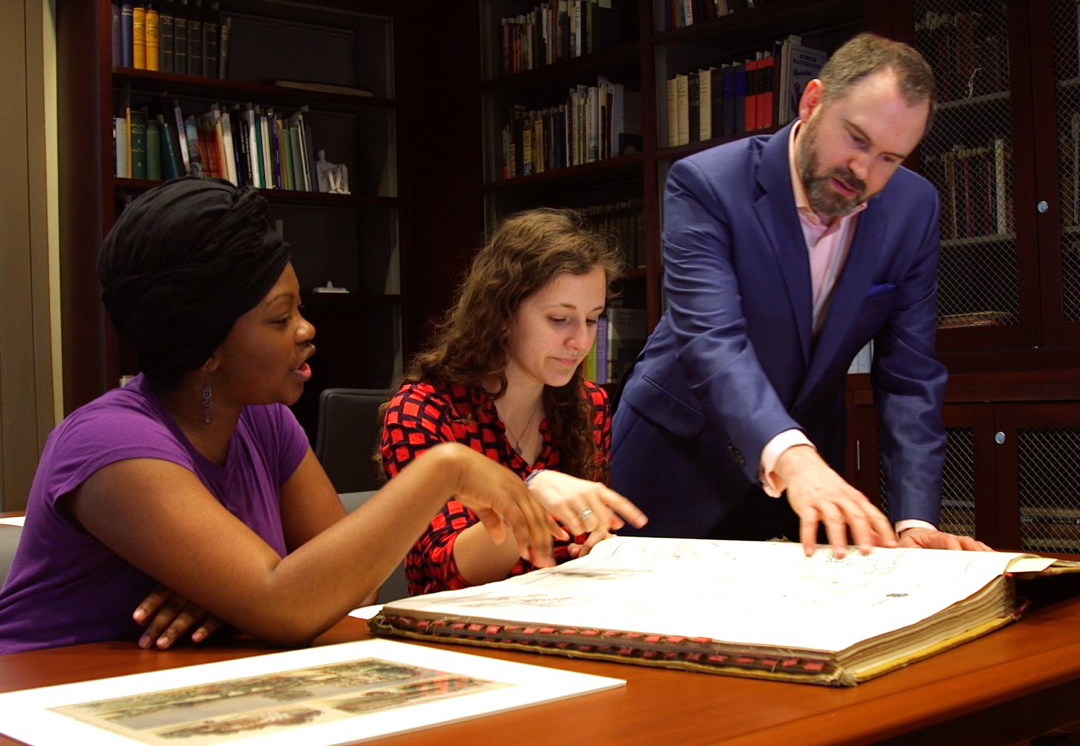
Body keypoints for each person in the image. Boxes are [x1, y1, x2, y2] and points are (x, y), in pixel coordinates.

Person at [0, 177, 562, 655]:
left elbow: (353, 592)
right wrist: (446, 468)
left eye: (301, 308)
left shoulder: (261, 421)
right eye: (279, 318)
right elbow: (289, 603)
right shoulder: (109, 442)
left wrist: (234, 602)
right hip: (46, 703)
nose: (306, 329)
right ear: (207, 348)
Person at [611, 33, 989, 557]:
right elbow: (713, 340)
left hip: (806, 478)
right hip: (677, 459)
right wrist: (793, 457)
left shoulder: (913, 208)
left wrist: (914, 520)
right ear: (812, 102)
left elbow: (910, 376)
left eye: (889, 158)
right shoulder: (708, 184)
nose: (864, 173)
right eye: (856, 139)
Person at [379, 208, 647, 595]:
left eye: (592, 320)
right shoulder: (423, 411)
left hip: (559, 612)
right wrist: (527, 498)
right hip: (452, 632)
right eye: (559, 319)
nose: (580, 342)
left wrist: (594, 539)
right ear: (502, 313)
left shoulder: (588, 404)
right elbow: (445, 570)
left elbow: (577, 541)